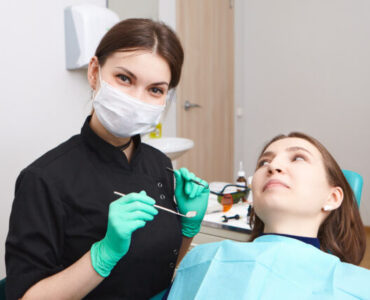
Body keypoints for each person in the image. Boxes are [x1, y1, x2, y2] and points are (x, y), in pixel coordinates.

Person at [5, 18, 209, 300]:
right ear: (94, 72)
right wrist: (103, 254)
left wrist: (187, 228)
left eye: (155, 90)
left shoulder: (159, 164)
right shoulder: (44, 179)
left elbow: (164, 265)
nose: (137, 99)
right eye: (124, 79)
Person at [167, 132, 370, 299]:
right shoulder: (201, 259)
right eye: (264, 162)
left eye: (298, 157)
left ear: (332, 197)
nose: (273, 166)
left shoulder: (358, 287)